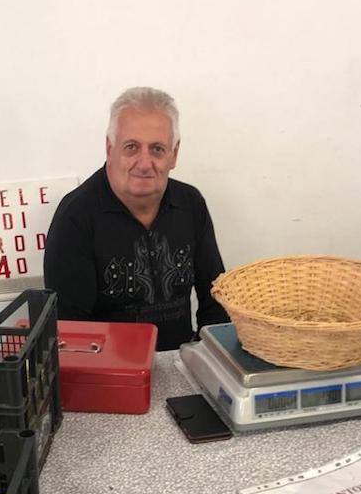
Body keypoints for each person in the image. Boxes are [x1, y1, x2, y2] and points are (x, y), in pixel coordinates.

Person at [43, 86, 229, 351]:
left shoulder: (191, 204)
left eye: (157, 149)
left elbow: (216, 303)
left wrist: (204, 360)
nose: (144, 163)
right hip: (105, 369)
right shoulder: (75, 218)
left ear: (174, 154)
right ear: (110, 148)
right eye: (131, 147)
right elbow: (71, 335)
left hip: (181, 360)